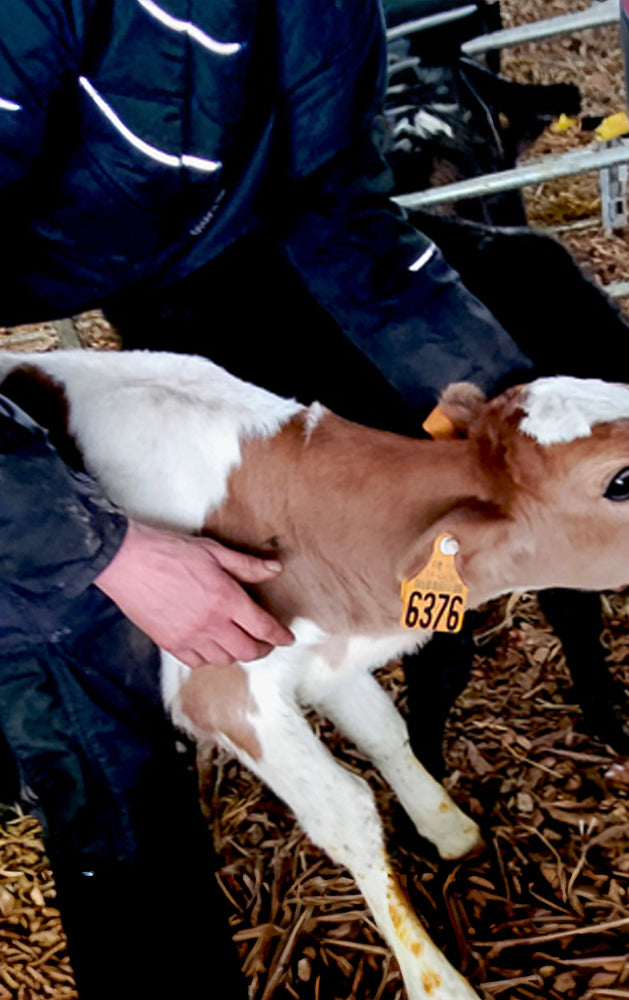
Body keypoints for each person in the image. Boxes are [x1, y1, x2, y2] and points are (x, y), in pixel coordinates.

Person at [0, 0, 534, 996]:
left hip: (157, 262)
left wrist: (516, 427)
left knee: (368, 585)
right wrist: (105, 551)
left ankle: (422, 782)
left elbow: (344, 211)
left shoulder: (325, 12)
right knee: (89, 695)